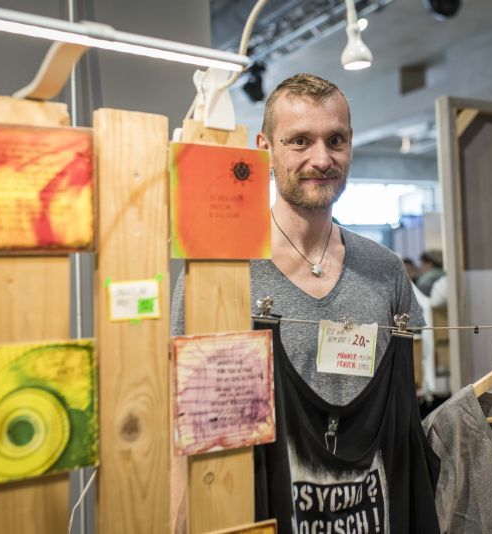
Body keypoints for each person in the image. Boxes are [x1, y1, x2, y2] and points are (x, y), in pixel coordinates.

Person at [171, 73, 423, 405]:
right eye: (300, 141)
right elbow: (184, 400)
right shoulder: (218, 272)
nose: (322, 160)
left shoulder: (385, 269)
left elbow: (404, 394)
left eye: (335, 140)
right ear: (266, 149)